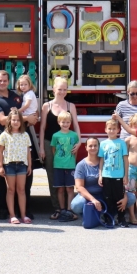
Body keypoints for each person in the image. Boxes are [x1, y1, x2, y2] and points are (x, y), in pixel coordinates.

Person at [0, 70, 38, 220]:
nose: (2, 83)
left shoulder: (17, 97)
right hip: (7, 143)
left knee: (26, 181)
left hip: (23, 140)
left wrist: (33, 117)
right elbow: (3, 120)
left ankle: (25, 210)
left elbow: (31, 112)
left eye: (5, 80)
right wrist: (27, 118)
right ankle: (4, 210)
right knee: (6, 183)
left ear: (8, 82)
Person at [39, 77, 81, 220]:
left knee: (68, 177)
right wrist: (41, 148)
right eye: (59, 89)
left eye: (64, 89)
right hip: (50, 144)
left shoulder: (71, 106)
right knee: (53, 177)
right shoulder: (47, 106)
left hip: (69, 145)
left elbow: (76, 125)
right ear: (53, 89)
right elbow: (43, 128)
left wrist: (79, 142)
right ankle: (57, 208)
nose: (62, 92)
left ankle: (69, 209)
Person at [0, 108, 32, 224]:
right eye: (13, 120)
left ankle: (23, 215)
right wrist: (0, 166)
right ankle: (12, 215)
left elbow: (28, 152)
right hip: (9, 165)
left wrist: (29, 166)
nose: (15, 122)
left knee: (21, 190)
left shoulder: (25, 135)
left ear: (21, 122)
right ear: (9, 121)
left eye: (18, 120)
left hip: (22, 165)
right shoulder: (4, 135)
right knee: (11, 190)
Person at [98, 119, 129, 226]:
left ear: (118, 130)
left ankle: (121, 218)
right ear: (105, 130)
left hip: (118, 176)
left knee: (119, 197)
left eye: (114, 129)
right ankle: (108, 217)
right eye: (109, 129)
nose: (111, 131)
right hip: (106, 175)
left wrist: (126, 175)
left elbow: (125, 159)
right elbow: (101, 160)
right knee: (107, 198)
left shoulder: (121, 143)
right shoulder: (103, 144)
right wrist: (100, 175)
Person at [51, 111, 80, 222]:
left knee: (69, 188)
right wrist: (59, 160)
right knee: (60, 189)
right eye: (63, 122)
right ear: (59, 122)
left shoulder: (74, 135)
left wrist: (73, 161)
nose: (65, 124)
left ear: (70, 122)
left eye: (67, 122)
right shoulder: (55, 136)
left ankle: (69, 210)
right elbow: (54, 150)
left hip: (70, 165)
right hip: (58, 165)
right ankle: (62, 209)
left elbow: (75, 151)